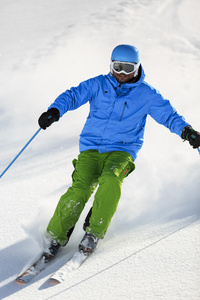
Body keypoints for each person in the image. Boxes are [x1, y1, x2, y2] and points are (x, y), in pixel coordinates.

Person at [38, 44, 200, 260]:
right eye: (118, 67)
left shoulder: (147, 94)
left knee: (111, 180)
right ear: (111, 65)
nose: (122, 73)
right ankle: (55, 237)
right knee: (80, 188)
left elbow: (168, 116)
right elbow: (73, 95)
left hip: (122, 149)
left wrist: (186, 131)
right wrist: (55, 110)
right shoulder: (98, 84)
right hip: (91, 147)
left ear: (137, 67)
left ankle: (94, 232)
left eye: (128, 68)